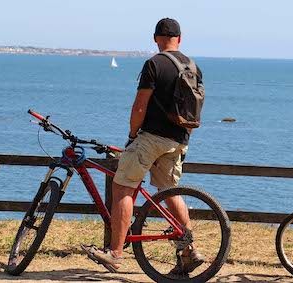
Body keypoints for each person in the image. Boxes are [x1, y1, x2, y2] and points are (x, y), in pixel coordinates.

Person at [81, 18, 205, 275]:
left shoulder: (154, 64)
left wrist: (133, 133)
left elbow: (140, 106)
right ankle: (188, 250)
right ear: (179, 39)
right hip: (179, 139)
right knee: (169, 191)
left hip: (151, 138)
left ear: (156, 38)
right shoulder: (192, 66)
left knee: (123, 186)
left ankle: (115, 253)